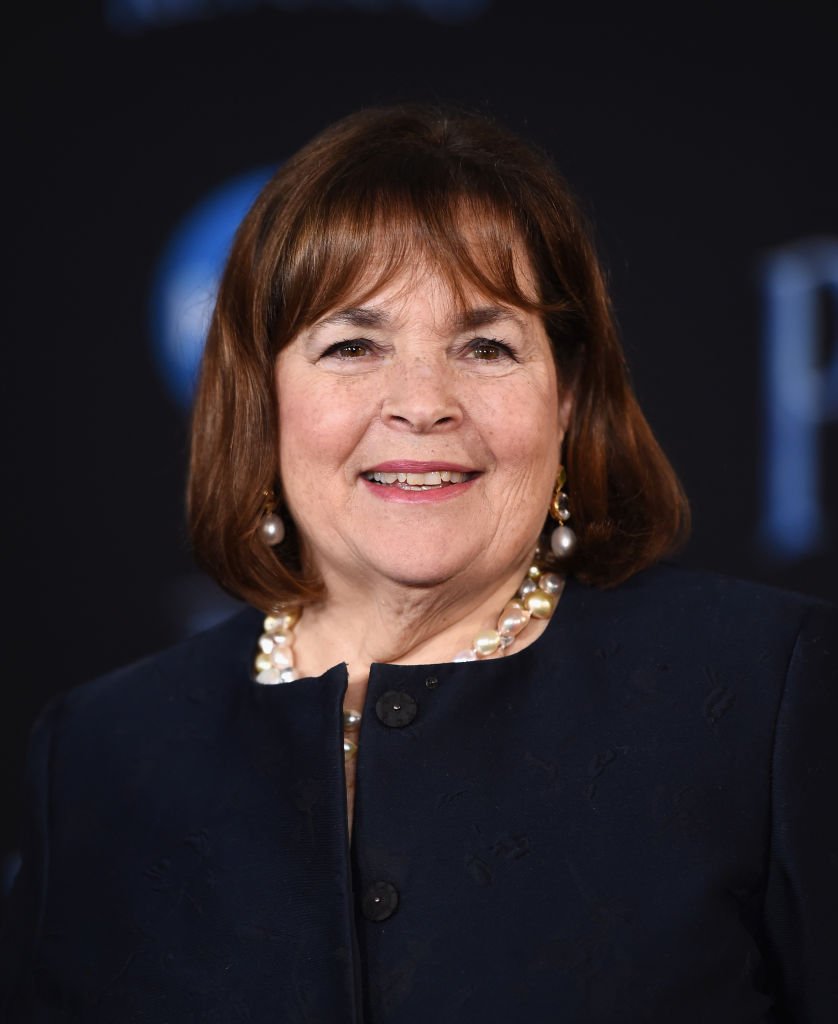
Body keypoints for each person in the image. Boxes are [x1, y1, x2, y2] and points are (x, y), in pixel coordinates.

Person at [1, 104, 836, 1023]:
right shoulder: (98, 754)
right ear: (262, 398)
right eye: (353, 346)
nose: (422, 404)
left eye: (486, 346)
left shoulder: (769, 691)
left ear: (565, 400)